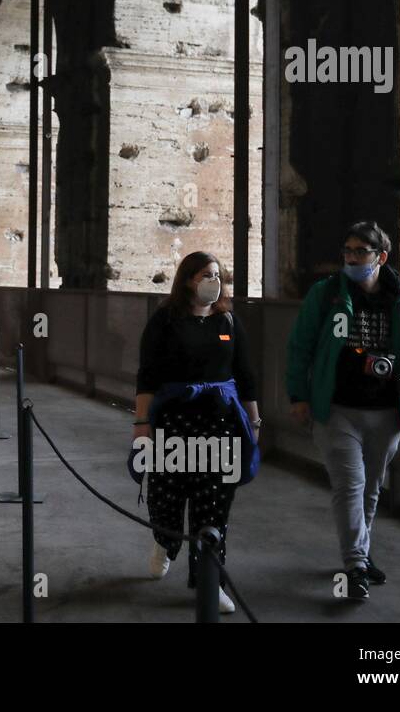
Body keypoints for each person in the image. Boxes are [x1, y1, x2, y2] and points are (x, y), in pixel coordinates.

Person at [285, 220, 400, 602]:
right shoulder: (326, 294)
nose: (350, 258)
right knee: (350, 485)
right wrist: (298, 395)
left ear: (380, 257)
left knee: (370, 489)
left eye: (359, 252)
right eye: (346, 251)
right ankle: (355, 566)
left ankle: (359, 556)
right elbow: (301, 346)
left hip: (385, 410)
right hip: (337, 408)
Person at [133, 251, 260, 614]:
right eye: (206, 274)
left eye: (217, 274)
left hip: (220, 428)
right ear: (188, 279)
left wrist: (254, 423)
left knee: (214, 507)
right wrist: (141, 425)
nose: (213, 281)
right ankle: (164, 541)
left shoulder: (228, 323)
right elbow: (148, 376)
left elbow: (246, 376)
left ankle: (207, 581)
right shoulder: (165, 321)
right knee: (167, 497)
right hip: (174, 424)